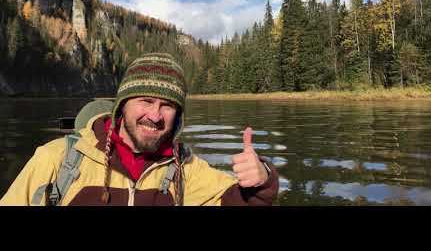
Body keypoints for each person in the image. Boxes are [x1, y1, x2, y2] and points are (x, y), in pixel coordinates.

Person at [0, 53, 279, 206]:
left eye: (167, 106)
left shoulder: (185, 169)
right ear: (122, 105)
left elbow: (238, 203)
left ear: (179, 115)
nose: (155, 116)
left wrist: (262, 179)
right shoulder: (59, 159)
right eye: (146, 101)